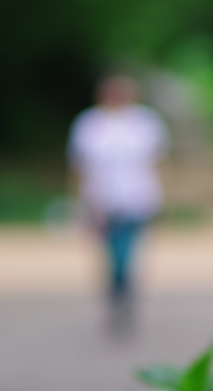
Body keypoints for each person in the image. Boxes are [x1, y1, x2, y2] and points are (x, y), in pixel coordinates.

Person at [67, 72, 170, 332]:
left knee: (126, 251)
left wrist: (161, 195)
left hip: (137, 197)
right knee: (110, 253)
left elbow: (158, 161)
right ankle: (118, 293)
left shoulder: (145, 122)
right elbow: (79, 166)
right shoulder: (89, 123)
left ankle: (122, 294)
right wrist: (78, 200)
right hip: (101, 199)